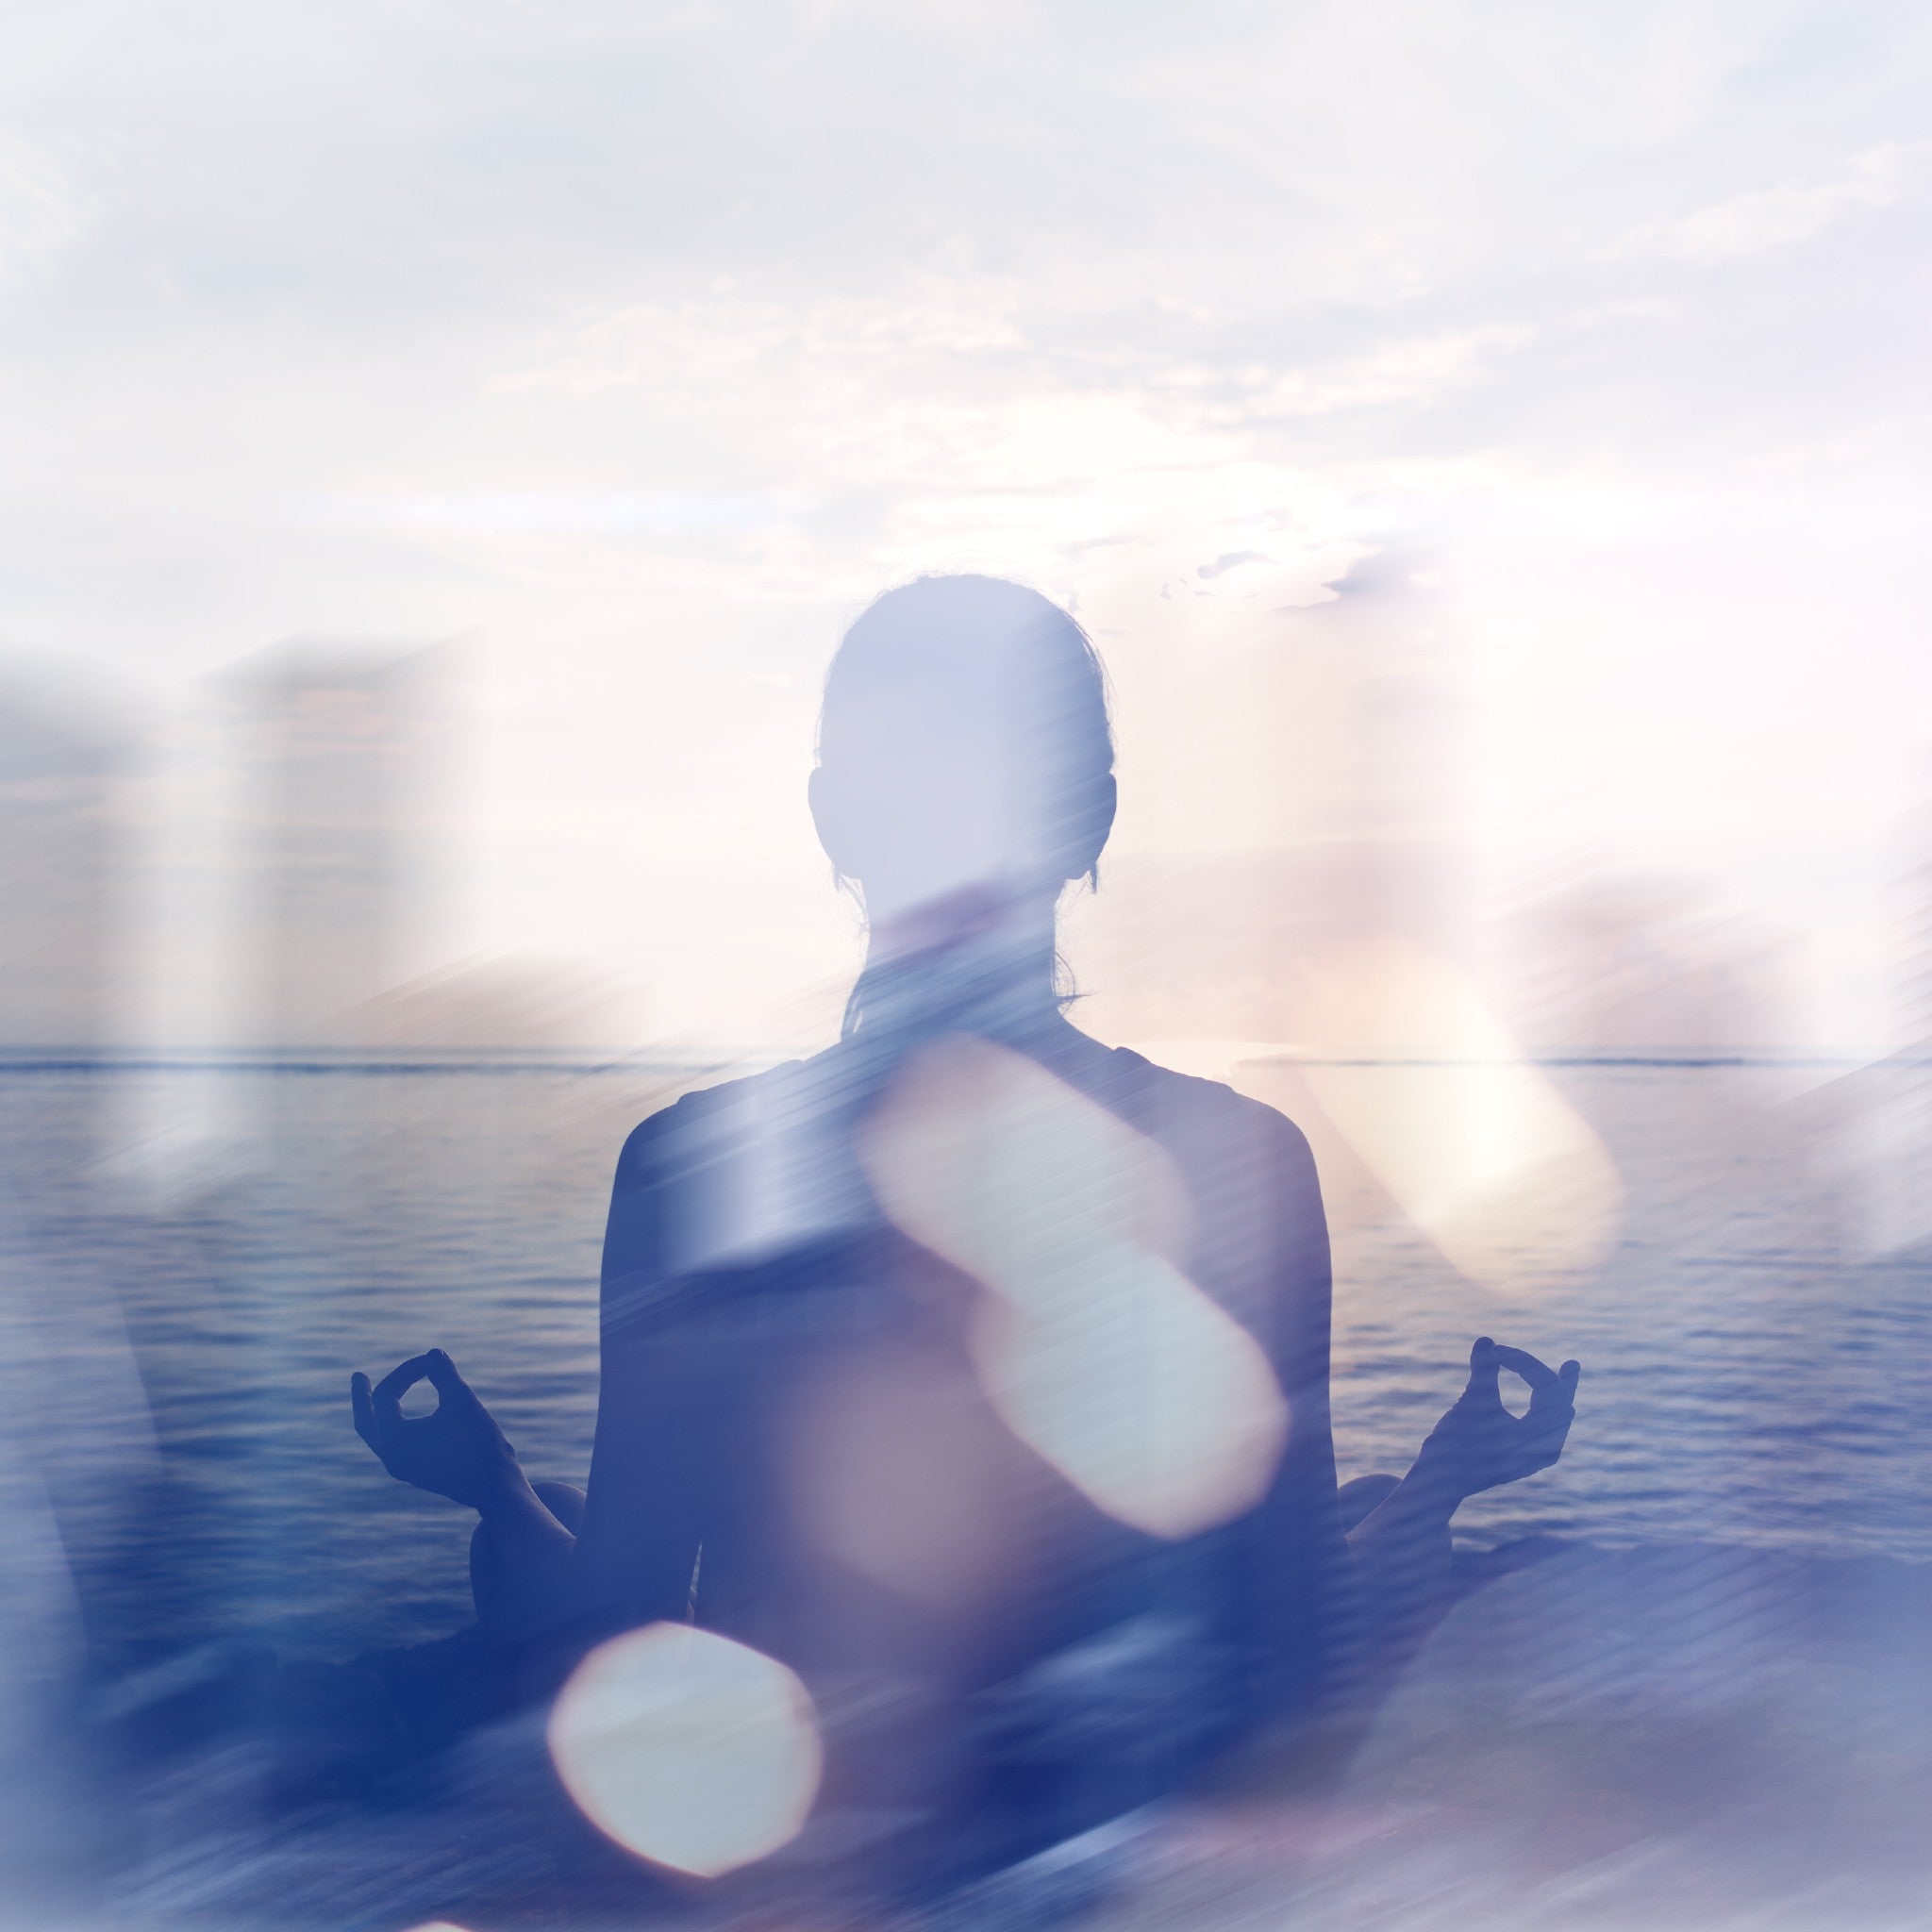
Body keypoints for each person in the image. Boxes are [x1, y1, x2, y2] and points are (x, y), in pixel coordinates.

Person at [351, 574, 1580, 1911]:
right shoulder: (1236, 1165)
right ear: (1095, 815)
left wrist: (489, 1491)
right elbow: (1293, 1668)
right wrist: (1445, 1482)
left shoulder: (692, 1173)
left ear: (833, 817)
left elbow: (620, 1643)